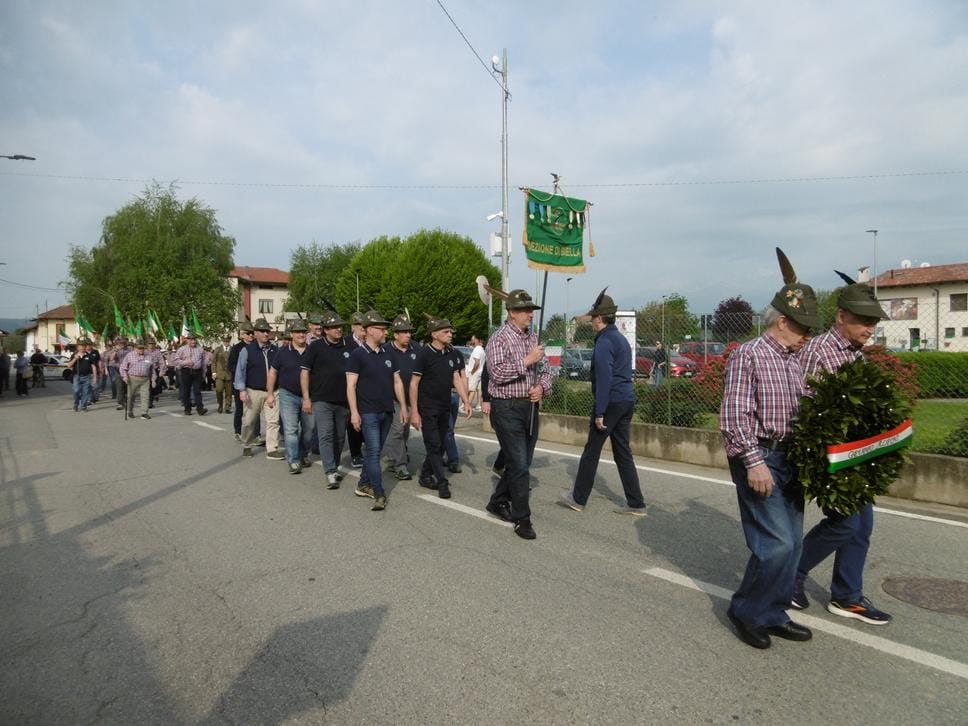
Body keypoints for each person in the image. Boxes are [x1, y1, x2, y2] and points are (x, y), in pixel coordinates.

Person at [720, 248, 819, 649]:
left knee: (792, 543)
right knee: (775, 543)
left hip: (790, 457)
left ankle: (772, 611)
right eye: (802, 328)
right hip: (759, 456)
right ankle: (747, 611)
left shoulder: (796, 359)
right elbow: (734, 416)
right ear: (781, 322)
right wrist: (754, 463)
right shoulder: (750, 355)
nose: (807, 336)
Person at [793, 274, 893, 625]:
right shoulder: (817, 351)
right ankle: (792, 574)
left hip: (855, 456)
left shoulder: (857, 356)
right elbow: (801, 403)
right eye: (864, 321)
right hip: (828, 456)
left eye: (874, 322)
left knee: (862, 526)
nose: (870, 329)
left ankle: (846, 596)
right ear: (841, 317)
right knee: (845, 524)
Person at [559, 289, 647, 516]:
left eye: (592, 317)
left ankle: (578, 498)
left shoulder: (605, 341)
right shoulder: (619, 339)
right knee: (622, 452)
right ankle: (636, 502)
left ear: (599, 318)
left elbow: (605, 378)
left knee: (592, 451)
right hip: (626, 400)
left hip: (611, 402)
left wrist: (600, 411)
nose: (590, 321)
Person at [484, 288, 553, 540]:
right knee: (520, 465)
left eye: (531, 311)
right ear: (511, 313)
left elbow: (547, 371)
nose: (530, 315)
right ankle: (522, 518)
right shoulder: (499, 339)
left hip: (530, 407)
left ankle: (498, 500)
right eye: (525, 311)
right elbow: (497, 373)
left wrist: (541, 388)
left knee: (520, 463)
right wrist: (526, 361)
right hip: (506, 407)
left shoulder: (533, 338)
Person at [346, 309, 408, 511]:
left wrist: (404, 407)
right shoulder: (358, 355)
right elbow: (351, 386)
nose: (385, 333)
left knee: (376, 450)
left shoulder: (389, 354)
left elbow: (397, 382)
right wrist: (354, 412)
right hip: (368, 412)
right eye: (381, 329)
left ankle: (363, 484)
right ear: (370, 330)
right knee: (373, 453)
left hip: (387, 411)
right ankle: (378, 493)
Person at [410, 314, 472, 499]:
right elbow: (413, 383)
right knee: (433, 444)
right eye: (446, 331)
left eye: (450, 330)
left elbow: (456, 378)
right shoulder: (424, 354)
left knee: (441, 443)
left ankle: (425, 475)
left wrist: (466, 401)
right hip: (427, 407)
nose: (450, 334)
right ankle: (442, 482)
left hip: (445, 406)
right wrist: (414, 411)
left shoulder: (451, 353)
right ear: (434, 334)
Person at [301, 309, 351, 488]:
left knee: (339, 437)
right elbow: (305, 372)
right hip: (321, 399)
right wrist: (306, 398)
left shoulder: (349, 346)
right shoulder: (315, 347)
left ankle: (335, 465)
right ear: (325, 330)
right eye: (334, 327)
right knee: (326, 435)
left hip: (343, 401)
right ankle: (329, 470)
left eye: (340, 327)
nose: (338, 329)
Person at [267, 319, 313, 474]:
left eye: (303, 332)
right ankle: (293, 460)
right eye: (298, 332)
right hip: (288, 395)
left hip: (309, 396)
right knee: (291, 429)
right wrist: (270, 394)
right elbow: (273, 372)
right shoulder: (283, 352)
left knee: (309, 430)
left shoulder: (312, 351)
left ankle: (303, 454)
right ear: (292, 334)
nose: (301, 334)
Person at [235, 318, 283, 460]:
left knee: (273, 421)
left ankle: (272, 449)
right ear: (255, 333)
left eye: (267, 331)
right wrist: (242, 390)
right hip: (253, 391)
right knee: (249, 421)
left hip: (273, 392)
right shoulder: (247, 350)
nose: (265, 334)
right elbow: (240, 370)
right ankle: (247, 444)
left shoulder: (276, 350)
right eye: (262, 331)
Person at [382, 314, 418, 480]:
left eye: (409, 332)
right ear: (395, 334)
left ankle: (395, 455)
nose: (408, 335)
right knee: (398, 429)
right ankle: (400, 464)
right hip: (393, 398)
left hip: (411, 399)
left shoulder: (416, 349)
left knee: (404, 431)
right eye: (404, 332)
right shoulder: (386, 350)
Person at [229, 323, 256, 441]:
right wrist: (243, 371)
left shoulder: (256, 347)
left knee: (254, 409)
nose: (251, 336)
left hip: (254, 383)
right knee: (240, 409)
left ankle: (256, 434)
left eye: (252, 334)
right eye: (248, 334)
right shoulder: (237, 348)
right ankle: (238, 431)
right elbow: (231, 365)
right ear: (243, 335)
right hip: (240, 383)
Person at [172, 333, 208, 415]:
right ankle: (187, 409)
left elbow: (204, 363)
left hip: (197, 372)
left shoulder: (200, 349)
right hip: (186, 371)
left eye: (194, 339)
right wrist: (185, 362)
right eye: (191, 339)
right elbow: (176, 360)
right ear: (187, 340)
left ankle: (200, 409)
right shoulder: (182, 349)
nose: (193, 341)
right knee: (186, 391)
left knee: (197, 391)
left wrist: (204, 373)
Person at [120, 339, 155, 419]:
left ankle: (144, 412)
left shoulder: (149, 356)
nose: (141, 350)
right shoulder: (129, 355)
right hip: (132, 378)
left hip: (145, 379)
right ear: (135, 348)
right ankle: (130, 410)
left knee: (145, 396)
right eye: (139, 348)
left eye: (142, 348)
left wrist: (153, 380)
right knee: (130, 396)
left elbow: (152, 370)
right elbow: (123, 368)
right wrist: (125, 377)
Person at [66, 339, 98, 411]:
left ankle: (83, 406)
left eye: (84, 346)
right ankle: (76, 404)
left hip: (87, 377)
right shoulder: (74, 355)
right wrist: (75, 358)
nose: (82, 348)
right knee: (76, 391)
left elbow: (94, 367)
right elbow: (69, 366)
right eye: (80, 346)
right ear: (78, 347)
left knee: (85, 392)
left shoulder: (89, 356)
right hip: (77, 376)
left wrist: (95, 378)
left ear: (86, 347)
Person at [212, 334, 234, 414]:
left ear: (229, 341)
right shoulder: (218, 350)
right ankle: (220, 405)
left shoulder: (232, 350)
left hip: (229, 374)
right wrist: (213, 372)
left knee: (229, 392)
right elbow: (213, 362)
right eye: (224, 340)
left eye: (227, 340)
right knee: (219, 390)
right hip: (219, 374)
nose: (226, 342)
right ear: (222, 341)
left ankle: (228, 407)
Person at [465, 334, 485, 411]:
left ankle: (466, 407)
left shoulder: (477, 349)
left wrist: (472, 371)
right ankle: (478, 405)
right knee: (479, 389)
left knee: (471, 389)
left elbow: (477, 362)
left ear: (477, 340)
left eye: (473, 339)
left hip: (475, 372)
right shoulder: (481, 349)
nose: (471, 341)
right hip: (480, 372)